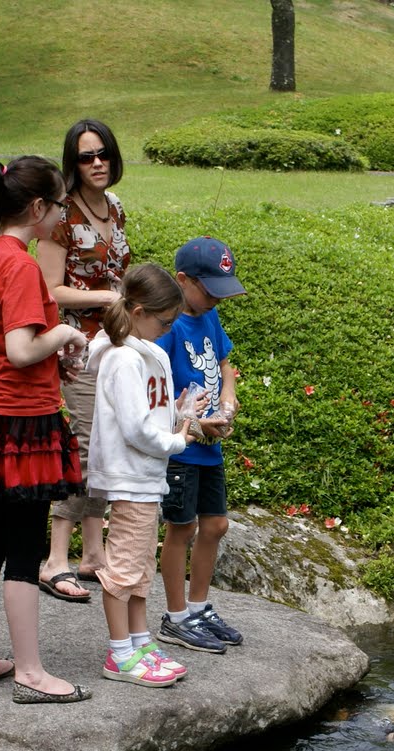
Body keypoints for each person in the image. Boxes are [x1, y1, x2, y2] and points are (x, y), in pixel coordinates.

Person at [0, 157, 92, 704]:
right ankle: (31, 673)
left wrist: (54, 353)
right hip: (23, 425)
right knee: (27, 548)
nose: (62, 214)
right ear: (37, 209)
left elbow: (4, 352)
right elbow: (21, 347)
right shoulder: (22, 266)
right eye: (59, 206)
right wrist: (63, 335)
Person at [86, 264, 203, 688]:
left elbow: (156, 410)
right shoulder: (121, 359)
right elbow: (136, 428)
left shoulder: (149, 352)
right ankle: (120, 654)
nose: (168, 330)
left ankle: (140, 641)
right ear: (138, 312)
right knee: (123, 569)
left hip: (147, 477)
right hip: (131, 477)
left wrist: (184, 412)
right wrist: (177, 441)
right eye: (165, 322)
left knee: (139, 568)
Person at [34, 119, 132, 603]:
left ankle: (93, 552)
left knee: (104, 444)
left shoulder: (115, 207)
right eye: (86, 157)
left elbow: (121, 272)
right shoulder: (63, 216)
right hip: (75, 342)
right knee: (83, 444)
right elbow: (48, 289)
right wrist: (104, 297)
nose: (97, 163)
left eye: (103, 154)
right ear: (72, 163)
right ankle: (54, 559)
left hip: (113, 341)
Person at [157, 237, 246, 656]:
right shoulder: (168, 326)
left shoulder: (209, 318)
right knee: (182, 528)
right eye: (209, 290)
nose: (215, 299)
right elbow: (155, 398)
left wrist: (228, 399)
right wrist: (196, 422)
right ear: (182, 281)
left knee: (215, 525)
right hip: (182, 444)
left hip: (209, 444)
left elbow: (226, 365)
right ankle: (175, 618)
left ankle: (199, 606)